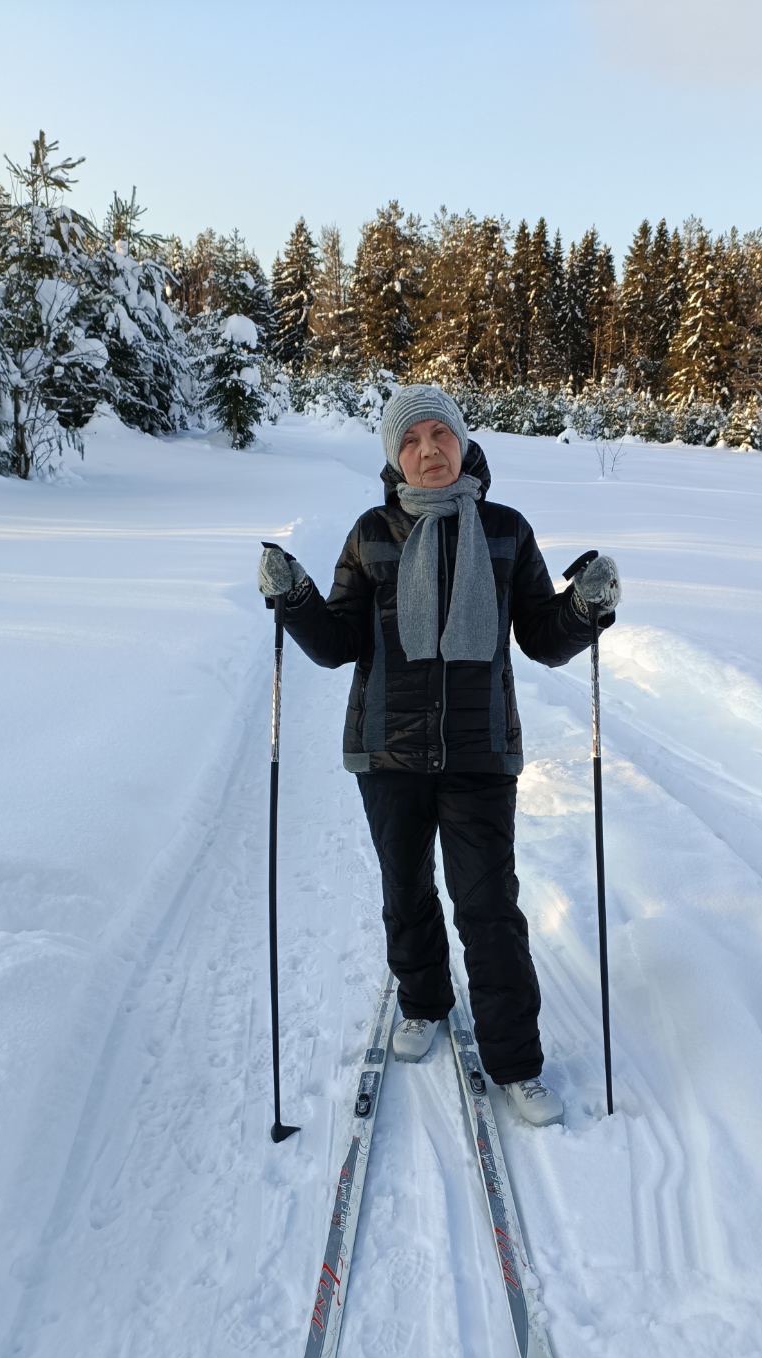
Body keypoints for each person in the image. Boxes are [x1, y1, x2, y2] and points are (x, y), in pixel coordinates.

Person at [257, 386, 620, 1126]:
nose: (428, 450)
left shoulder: (505, 530)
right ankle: (422, 1001)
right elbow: (337, 643)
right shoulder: (371, 533)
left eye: (440, 434)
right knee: (406, 890)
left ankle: (515, 1063)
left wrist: (584, 608)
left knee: (488, 908)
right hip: (386, 751)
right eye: (412, 439)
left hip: (480, 754)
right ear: (395, 456)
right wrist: (295, 598)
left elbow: (541, 638)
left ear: (461, 441)